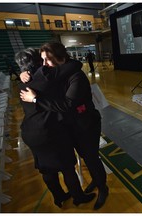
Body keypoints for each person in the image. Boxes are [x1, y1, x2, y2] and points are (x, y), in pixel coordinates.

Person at [20, 42, 108, 210]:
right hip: (70, 126)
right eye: (42, 60)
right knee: (83, 158)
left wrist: (36, 100)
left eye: (48, 60)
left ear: (61, 58)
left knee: (91, 159)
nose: (44, 64)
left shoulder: (77, 76)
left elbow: (67, 105)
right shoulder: (56, 73)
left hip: (86, 125)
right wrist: (24, 73)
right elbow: (39, 74)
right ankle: (96, 182)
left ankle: (103, 188)